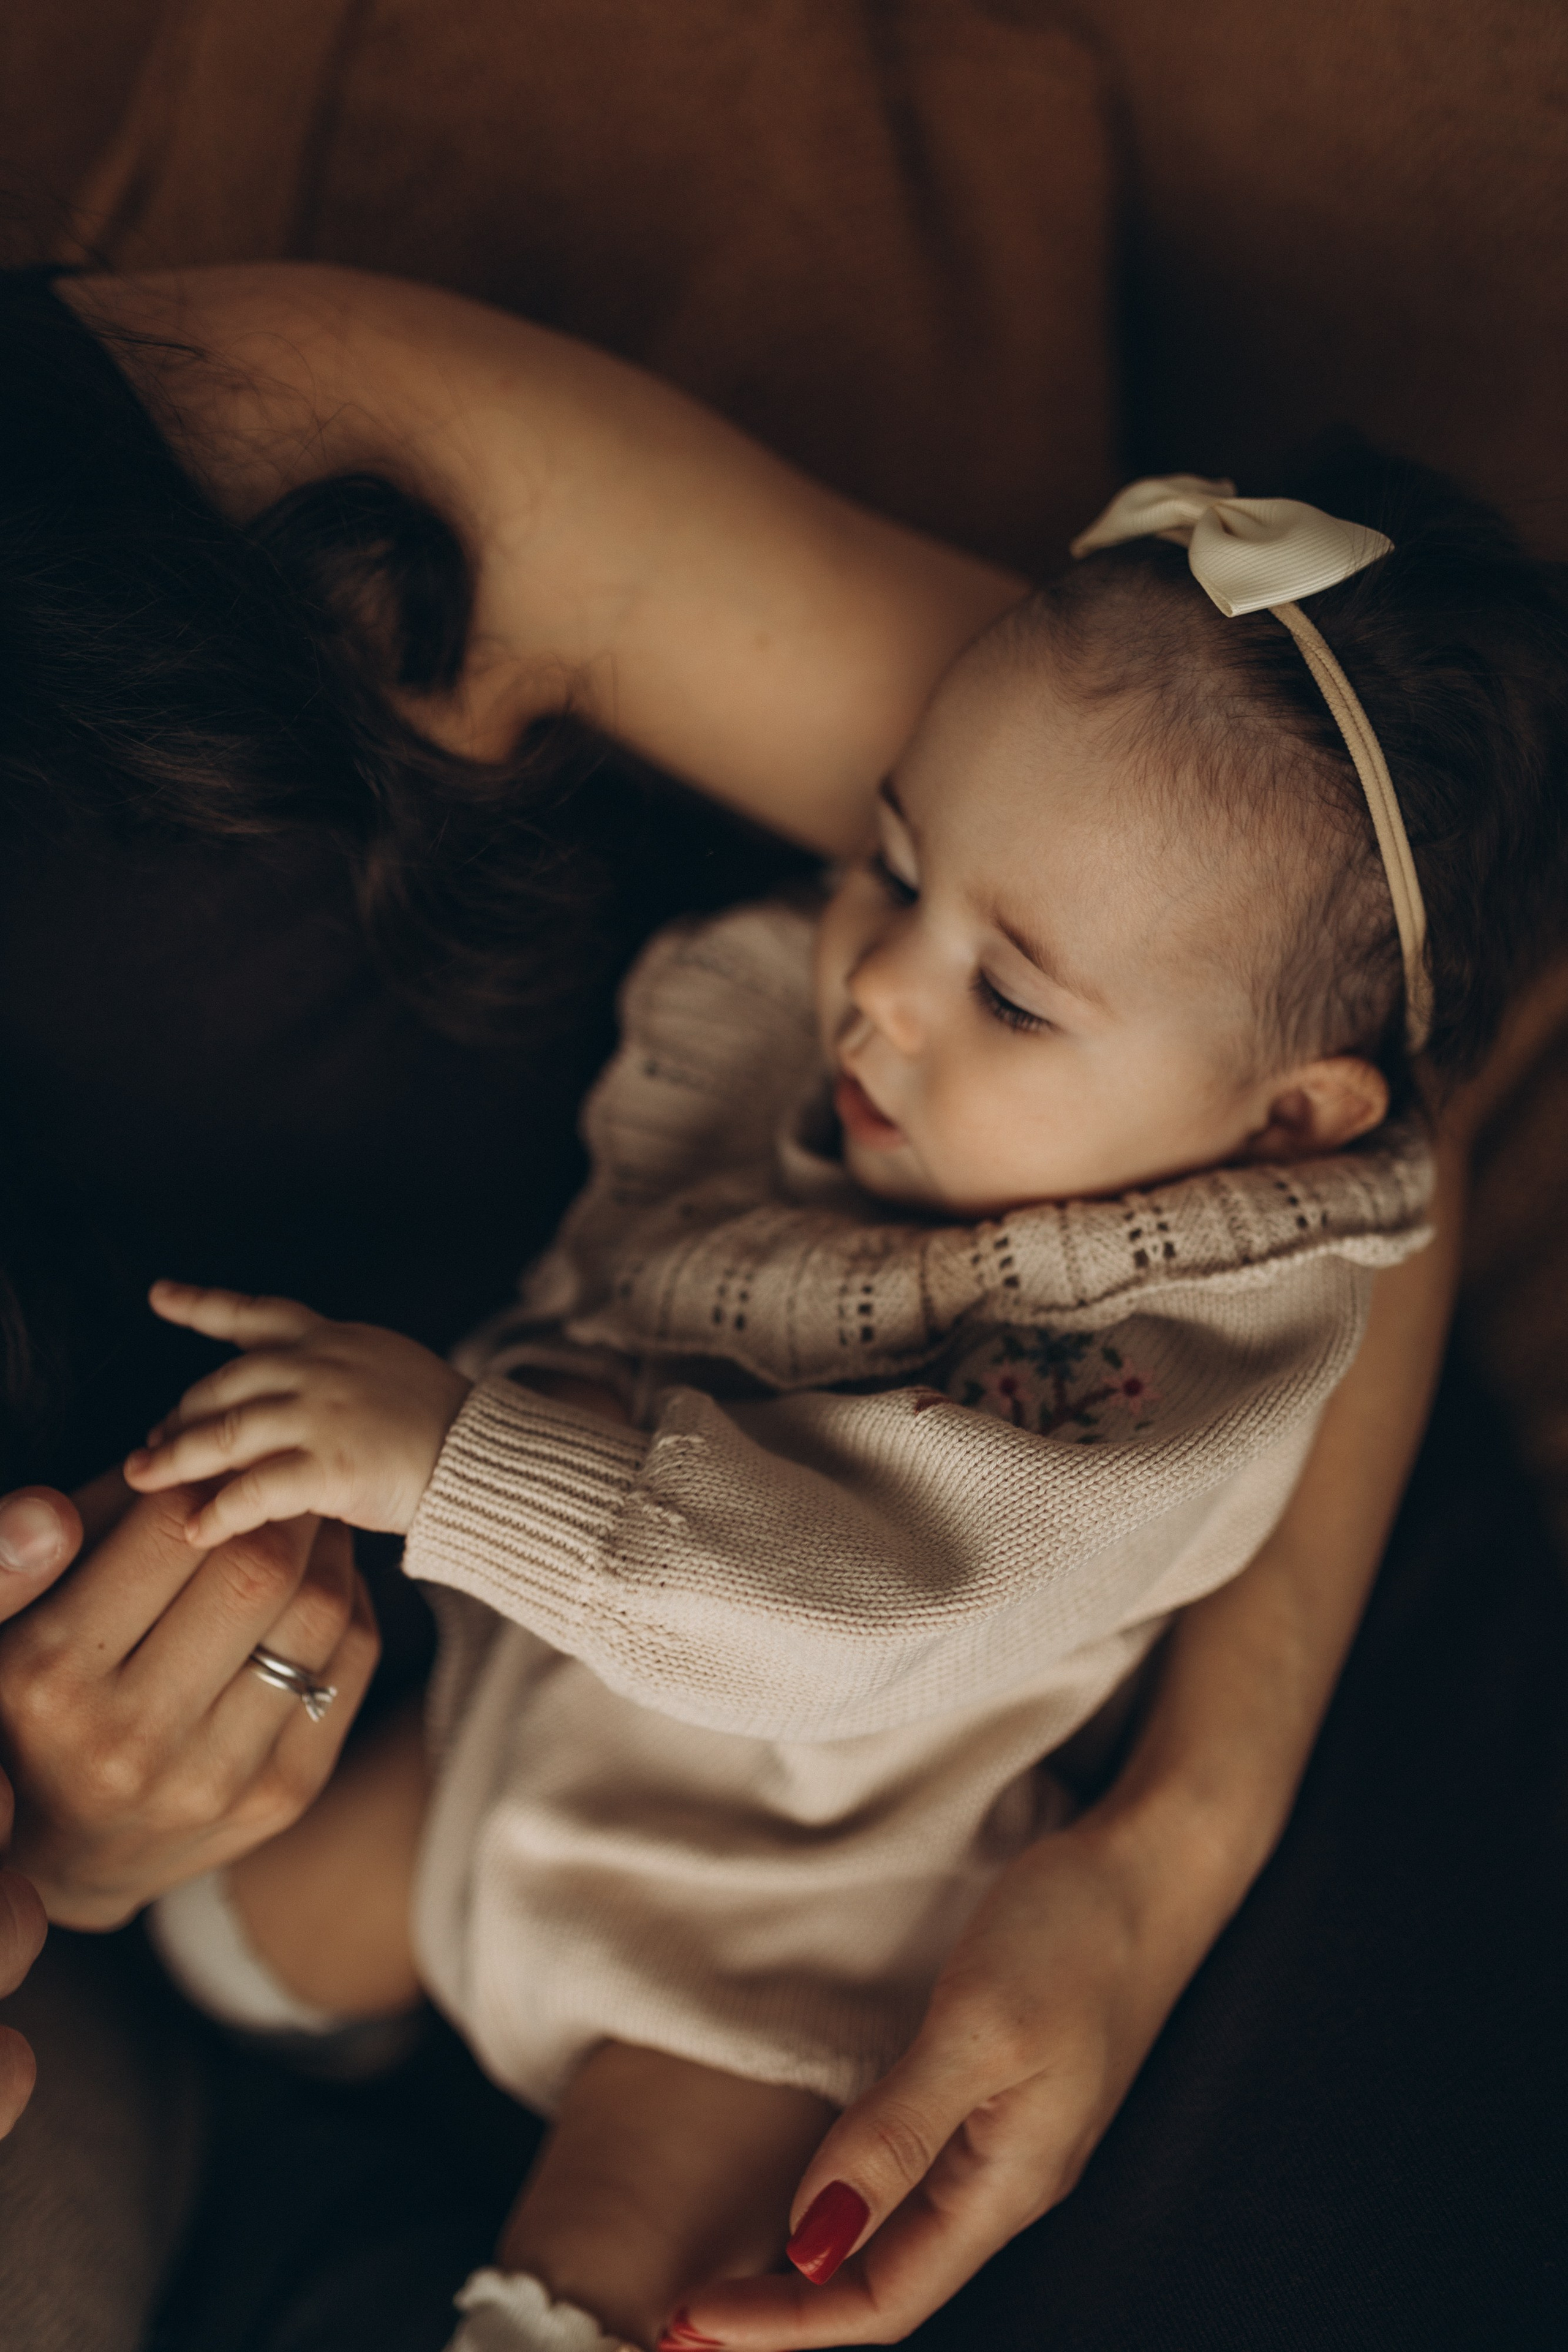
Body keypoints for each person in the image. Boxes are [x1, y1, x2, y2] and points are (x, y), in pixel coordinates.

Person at [0, 263, 1488, 2349]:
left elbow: (879, 1585)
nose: (868, 978)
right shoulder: (942, 1024)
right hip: (534, 1719)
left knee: (635, 2200)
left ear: (1281, 1129)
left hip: (808, 1896)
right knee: (250, 1945)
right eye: (882, 868)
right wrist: (81, 1847)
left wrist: (1167, 1855)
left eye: (1002, 988)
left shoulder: (1169, 1285)